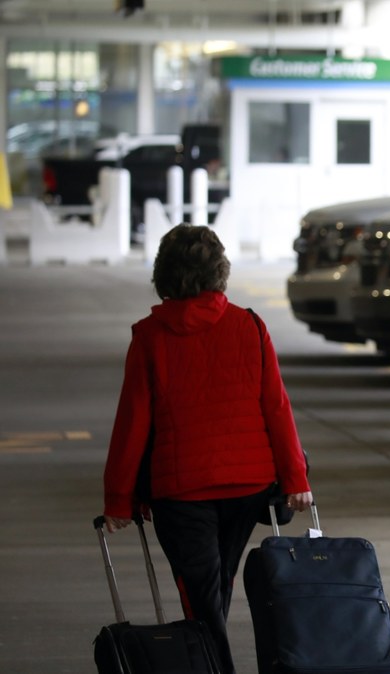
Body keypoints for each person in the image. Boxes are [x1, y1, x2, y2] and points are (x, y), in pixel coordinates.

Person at [102, 223, 313, 673]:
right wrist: (295, 479)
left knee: (202, 597)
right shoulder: (250, 326)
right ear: (220, 272)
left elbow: (132, 424)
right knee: (214, 590)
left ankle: (214, 666)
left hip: (182, 493)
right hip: (247, 488)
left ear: (164, 274)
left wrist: (119, 499)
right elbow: (277, 407)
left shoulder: (150, 337)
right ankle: (213, 663)